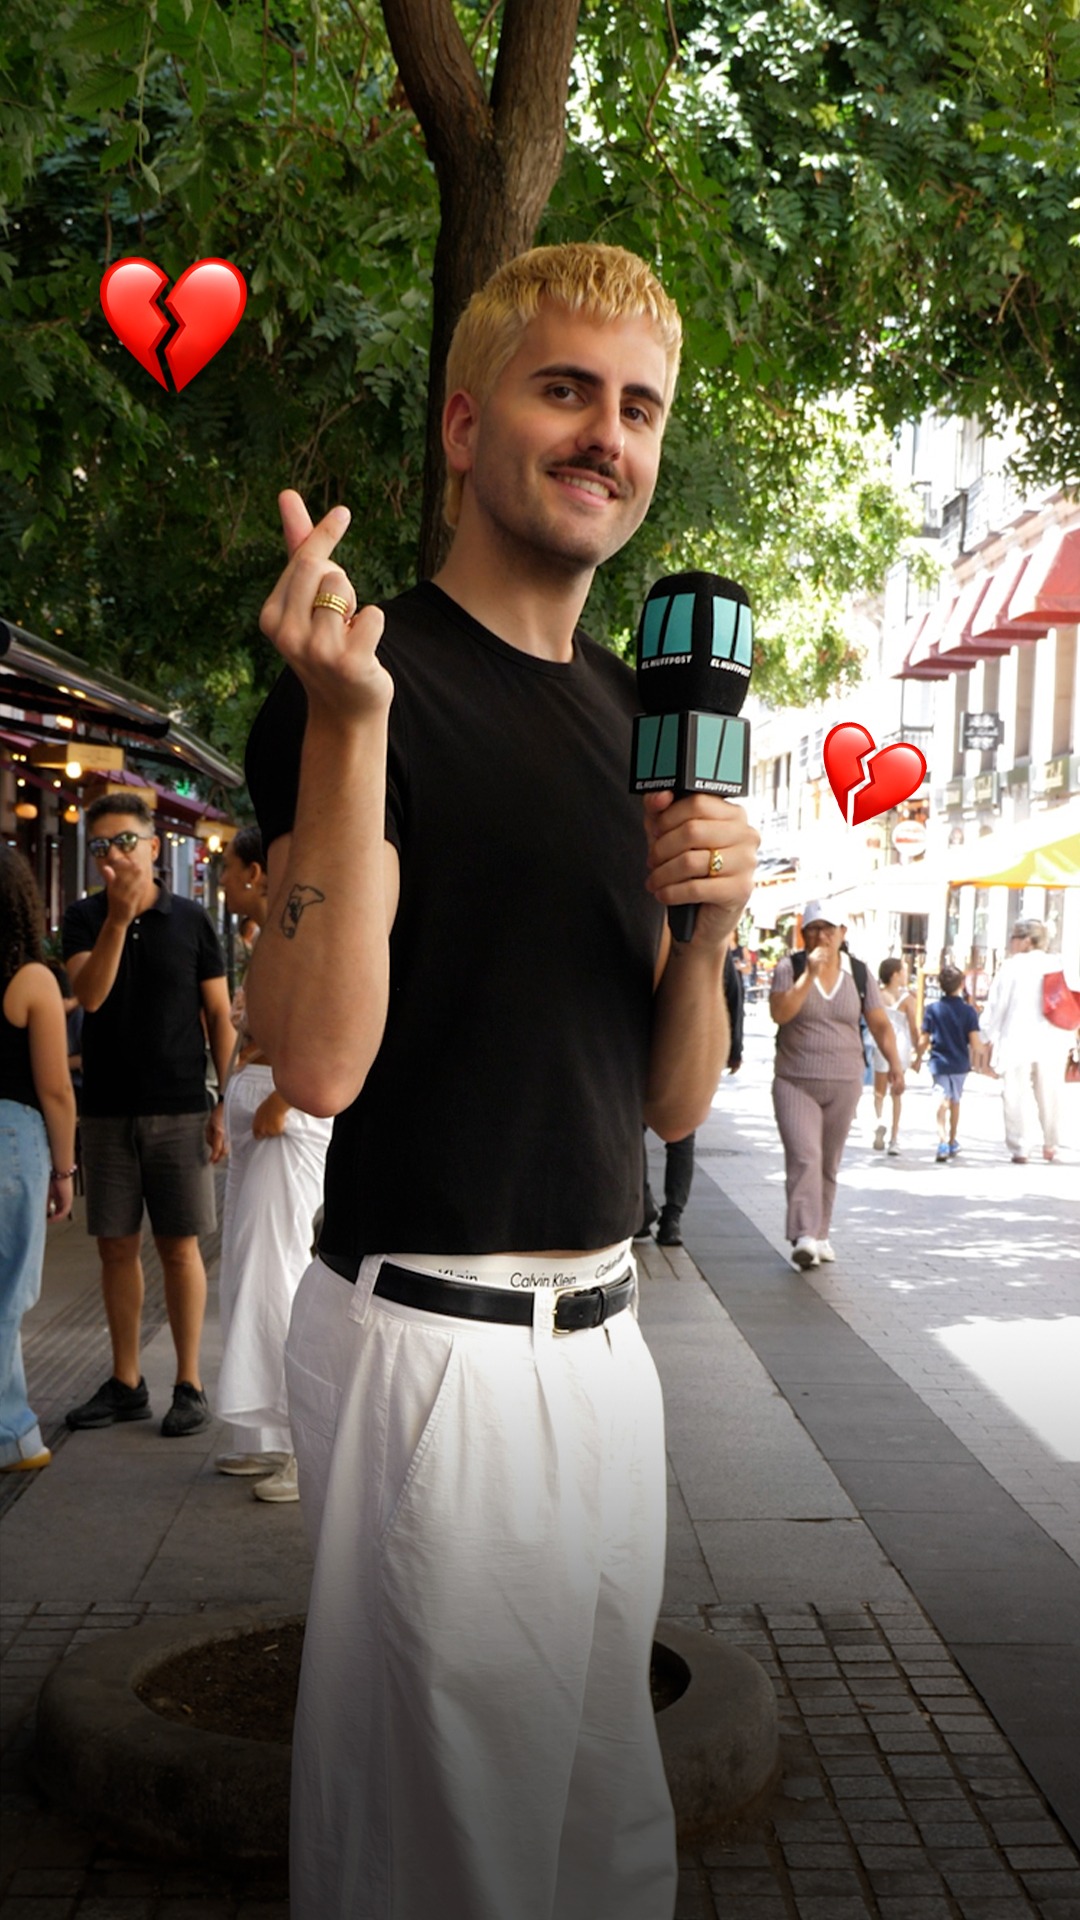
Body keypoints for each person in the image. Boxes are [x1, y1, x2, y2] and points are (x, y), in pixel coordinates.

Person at [244, 242, 759, 1920]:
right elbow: (318, 1061)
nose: (609, 433)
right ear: (466, 426)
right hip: (440, 1355)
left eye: (641, 408)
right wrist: (346, 730)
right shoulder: (361, 680)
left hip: (610, 1354)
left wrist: (710, 929)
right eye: (566, 391)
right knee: (448, 1870)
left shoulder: (632, 718)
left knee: (605, 1846)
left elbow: (671, 1106)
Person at [61, 793, 234, 1438]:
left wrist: (223, 1102)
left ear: (154, 847)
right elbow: (90, 996)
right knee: (115, 1246)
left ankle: (189, 1383)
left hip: (180, 1107)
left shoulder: (190, 920)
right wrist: (116, 919)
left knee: (180, 1247)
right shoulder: (83, 918)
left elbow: (219, 1015)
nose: (114, 855)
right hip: (106, 1110)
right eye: (101, 846)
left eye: (125, 841)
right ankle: (126, 1381)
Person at [214, 826, 332, 1502]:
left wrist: (283, 1098)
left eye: (228, 868)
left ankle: (296, 1440)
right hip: (258, 1107)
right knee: (247, 1272)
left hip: (283, 1117)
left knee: (276, 1271)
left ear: (256, 872)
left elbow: (326, 1015)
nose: (223, 881)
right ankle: (265, 1431)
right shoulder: (267, 935)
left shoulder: (300, 928)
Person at [770, 900, 904, 1269]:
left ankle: (820, 1233)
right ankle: (804, 1235)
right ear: (803, 934)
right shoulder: (789, 968)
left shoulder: (858, 973)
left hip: (844, 1082)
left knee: (828, 1162)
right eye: (813, 929)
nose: (821, 936)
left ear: (842, 934)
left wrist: (895, 1065)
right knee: (805, 1156)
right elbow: (780, 1013)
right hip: (795, 1080)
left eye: (829, 929)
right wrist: (808, 976)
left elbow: (879, 1024)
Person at [1, 849, 77, 1472]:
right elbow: (55, 1090)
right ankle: (10, 1433)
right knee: (8, 1289)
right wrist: (65, 1169)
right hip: (11, 1139)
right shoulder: (32, 981)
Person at [640, 933, 745, 1246]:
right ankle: (660, 1213)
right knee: (667, 1138)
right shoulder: (700, 934)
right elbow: (731, 993)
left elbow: (730, 991)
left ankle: (658, 1213)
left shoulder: (690, 933)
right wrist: (735, 1048)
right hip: (665, 1051)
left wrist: (734, 1047)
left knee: (650, 1134)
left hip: (662, 1051)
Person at [980, 919, 1076, 1163]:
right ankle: (1051, 1143)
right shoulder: (1058, 963)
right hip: (1053, 1037)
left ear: (1026, 941)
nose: (1011, 943)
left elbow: (997, 1005)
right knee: (1051, 1093)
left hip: (1017, 1038)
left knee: (1015, 1094)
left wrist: (985, 1035)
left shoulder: (1012, 967)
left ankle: (1021, 1146)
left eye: (1014, 938)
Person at [919, 964, 981, 1162]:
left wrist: (916, 1057)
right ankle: (952, 1139)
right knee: (955, 1101)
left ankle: (942, 1140)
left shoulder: (932, 1010)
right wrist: (982, 1058)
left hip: (939, 1062)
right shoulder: (969, 1012)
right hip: (960, 1063)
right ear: (962, 984)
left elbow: (924, 1039)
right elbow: (975, 1042)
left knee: (941, 1099)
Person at [871, 956, 920, 1155]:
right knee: (897, 1093)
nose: (905, 975)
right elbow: (914, 1028)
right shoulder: (908, 999)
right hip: (900, 1046)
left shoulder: (876, 996)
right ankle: (894, 1138)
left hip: (881, 1043)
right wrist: (918, 1051)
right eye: (903, 971)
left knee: (879, 1091)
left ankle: (879, 1121)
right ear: (895, 975)